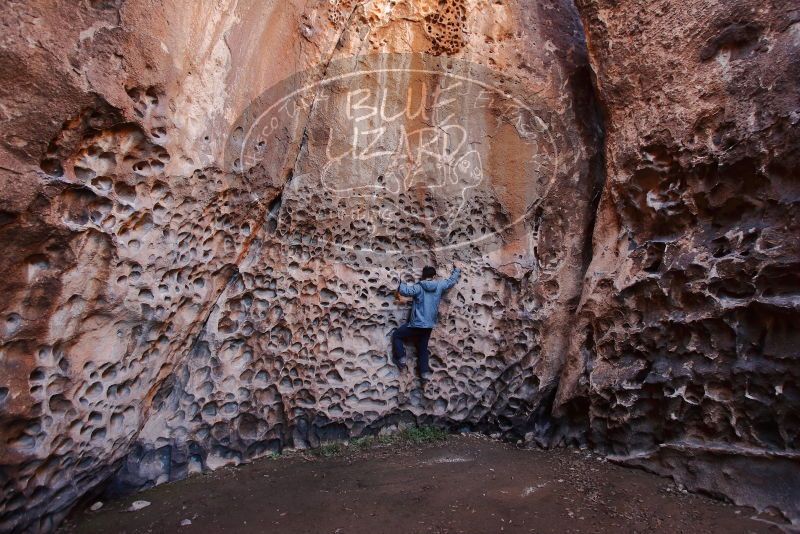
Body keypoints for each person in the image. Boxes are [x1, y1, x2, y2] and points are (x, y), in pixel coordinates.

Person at [392, 265, 461, 380]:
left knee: (397, 335)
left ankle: (401, 357)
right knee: (423, 348)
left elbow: (404, 290)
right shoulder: (439, 285)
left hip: (416, 325)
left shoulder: (419, 287)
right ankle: (424, 373)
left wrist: (401, 280)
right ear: (434, 276)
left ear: (423, 276)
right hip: (429, 325)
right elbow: (451, 281)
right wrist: (457, 269)